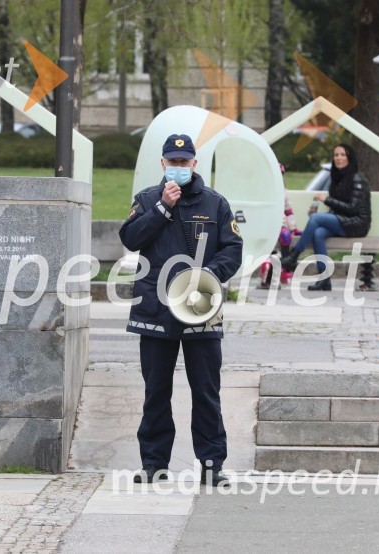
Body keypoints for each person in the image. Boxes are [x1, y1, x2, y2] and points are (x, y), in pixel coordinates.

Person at [119, 134, 243, 485]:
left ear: (194, 164)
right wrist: (162, 207)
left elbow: (232, 249)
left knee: (206, 391)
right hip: (155, 309)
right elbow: (130, 239)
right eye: (172, 162)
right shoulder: (146, 199)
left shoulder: (215, 203)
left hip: (200, 308)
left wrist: (206, 277)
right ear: (162, 164)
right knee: (156, 391)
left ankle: (211, 466)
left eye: (183, 162)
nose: (178, 168)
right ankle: (154, 464)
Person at [281, 144, 371, 291]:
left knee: (316, 219)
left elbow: (353, 208)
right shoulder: (337, 178)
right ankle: (324, 280)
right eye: (336, 155)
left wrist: (326, 200)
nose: (339, 158)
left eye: (343, 155)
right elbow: (337, 208)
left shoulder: (357, 179)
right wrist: (321, 211)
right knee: (318, 233)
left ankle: (294, 256)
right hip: (344, 221)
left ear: (350, 158)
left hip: (357, 224)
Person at [259, 163, 299, 289]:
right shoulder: (262, 191)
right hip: (265, 224)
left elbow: (288, 211)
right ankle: (268, 275)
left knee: (286, 236)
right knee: (269, 243)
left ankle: (286, 267)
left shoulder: (284, 192)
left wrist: (292, 227)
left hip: (280, 224)